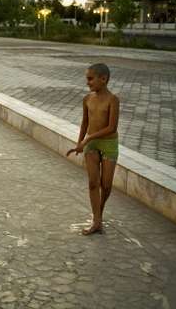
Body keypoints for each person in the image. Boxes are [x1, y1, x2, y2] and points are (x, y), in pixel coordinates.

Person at [67, 63, 120, 235]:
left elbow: (112, 127)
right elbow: (85, 123)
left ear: (103, 79)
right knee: (92, 183)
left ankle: (99, 213)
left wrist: (88, 138)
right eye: (87, 79)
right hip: (91, 145)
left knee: (106, 186)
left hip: (108, 143)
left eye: (90, 79)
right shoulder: (87, 99)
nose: (87, 83)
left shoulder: (113, 100)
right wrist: (79, 142)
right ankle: (96, 220)